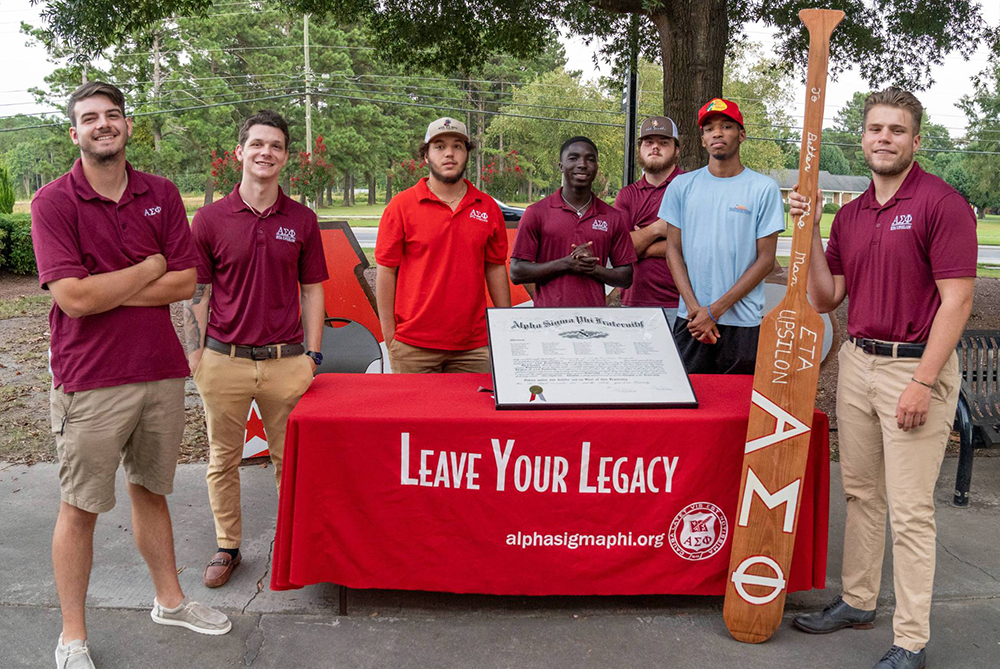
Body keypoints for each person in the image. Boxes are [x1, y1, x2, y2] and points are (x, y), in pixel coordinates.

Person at [31, 81, 230, 669]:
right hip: (89, 379)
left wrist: (109, 284)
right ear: (75, 133)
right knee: (80, 507)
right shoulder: (53, 203)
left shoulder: (161, 193)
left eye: (112, 115)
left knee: (152, 492)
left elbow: (185, 282)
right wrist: (147, 266)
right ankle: (72, 636)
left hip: (159, 372)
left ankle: (169, 601)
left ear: (128, 126)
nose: (102, 125)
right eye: (89, 118)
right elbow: (73, 300)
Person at [789, 88, 976, 669]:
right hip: (858, 363)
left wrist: (923, 380)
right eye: (875, 129)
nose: (884, 138)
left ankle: (912, 641)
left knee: (911, 510)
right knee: (862, 493)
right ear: (863, 138)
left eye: (896, 130)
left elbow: (958, 300)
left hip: (912, 368)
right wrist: (812, 231)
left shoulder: (941, 203)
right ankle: (857, 600)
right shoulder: (850, 213)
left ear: (916, 141)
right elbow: (827, 297)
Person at [185, 110, 328, 589]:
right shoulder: (208, 219)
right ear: (240, 152)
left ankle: (293, 546)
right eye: (258, 144)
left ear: (286, 157)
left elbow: (312, 290)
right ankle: (227, 546)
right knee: (222, 459)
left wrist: (312, 356)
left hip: (287, 362)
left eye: (277, 146)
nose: (266, 152)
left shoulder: (302, 219)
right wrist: (196, 355)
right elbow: (197, 291)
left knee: (293, 461)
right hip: (223, 361)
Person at [375, 117, 511, 373]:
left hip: (475, 348)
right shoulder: (401, 206)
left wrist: (505, 328)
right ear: (425, 156)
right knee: (416, 415)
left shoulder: (487, 207)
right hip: (413, 347)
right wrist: (390, 336)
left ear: (467, 154)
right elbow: (386, 271)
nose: (449, 153)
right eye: (439, 146)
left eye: (458, 146)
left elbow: (494, 268)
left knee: (473, 414)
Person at [661, 98, 784, 373]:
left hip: (742, 324)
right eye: (709, 128)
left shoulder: (763, 189)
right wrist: (696, 311)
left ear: (741, 135)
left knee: (737, 409)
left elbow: (765, 261)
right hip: (691, 321)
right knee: (690, 409)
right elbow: (673, 251)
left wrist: (714, 311)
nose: (717, 133)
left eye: (727, 126)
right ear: (703, 139)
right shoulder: (682, 186)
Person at [510, 136, 635, 306]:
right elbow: (517, 272)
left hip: (594, 322)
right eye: (573, 158)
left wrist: (593, 269)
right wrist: (566, 264)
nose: (582, 164)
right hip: (548, 322)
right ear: (561, 166)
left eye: (590, 159)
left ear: (597, 167)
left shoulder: (612, 217)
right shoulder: (536, 213)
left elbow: (626, 277)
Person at [614, 116, 684, 325]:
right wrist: (657, 229)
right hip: (633, 303)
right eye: (649, 142)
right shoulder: (626, 195)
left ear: (676, 150)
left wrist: (640, 244)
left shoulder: (690, 188)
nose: (655, 148)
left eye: (663, 143)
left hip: (682, 305)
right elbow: (619, 252)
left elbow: (697, 246)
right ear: (640, 148)